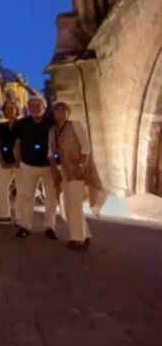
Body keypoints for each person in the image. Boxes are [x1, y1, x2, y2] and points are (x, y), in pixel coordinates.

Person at [49, 101, 106, 250]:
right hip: (63, 171)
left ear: (68, 112)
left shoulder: (75, 125)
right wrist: (55, 170)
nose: (60, 113)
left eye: (63, 110)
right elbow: (50, 152)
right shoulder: (53, 130)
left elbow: (86, 147)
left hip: (76, 169)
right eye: (57, 110)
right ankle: (86, 234)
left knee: (75, 204)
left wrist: (81, 166)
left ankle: (78, 239)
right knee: (68, 205)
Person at [14, 95, 58, 239]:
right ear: (28, 107)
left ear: (44, 107)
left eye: (38, 105)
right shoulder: (22, 123)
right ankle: (26, 226)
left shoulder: (52, 123)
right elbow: (18, 143)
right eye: (32, 105)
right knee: (28, 196)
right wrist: (20, 160)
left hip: (48, 166)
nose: (34, 108)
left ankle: (49, 227)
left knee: (51, 197)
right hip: (28, 165)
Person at [0, 101, 20, 224]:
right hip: (5, 160)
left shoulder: (23, 124)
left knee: (21, 189)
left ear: (16, 109)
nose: (9, 110)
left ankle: (20, 218)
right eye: (7, 108)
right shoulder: (1, 126)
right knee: (0, 187)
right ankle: (5, 215)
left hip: (20, 162)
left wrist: (19, 160)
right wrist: (1, 160)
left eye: (12, 108)